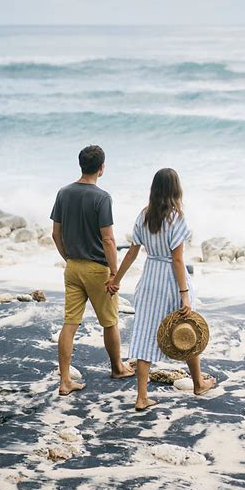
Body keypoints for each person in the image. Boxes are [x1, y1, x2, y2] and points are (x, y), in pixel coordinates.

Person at [106, 168, 216, 411]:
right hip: (171, 281)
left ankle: (142, 397)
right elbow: (177, 260)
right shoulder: (176, 218)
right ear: (176, 190)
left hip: (149, 280)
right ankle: (198, 383)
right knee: (188, 330)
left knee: (145, 334)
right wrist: (184, 294)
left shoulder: (144, 216)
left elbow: (132, 253)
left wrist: (117, 279)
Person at [50, 145, 135, 396]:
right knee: (110, 322)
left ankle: (65, 381)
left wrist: (68, 257)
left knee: (70, 323)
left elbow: (56, 234)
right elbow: (108, 240)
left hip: (73, 267)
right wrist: (114, 273)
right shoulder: (102, 197)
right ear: (102, 168)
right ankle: (117, 367)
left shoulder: (63, 193)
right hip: (97, 270)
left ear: (80, 165)